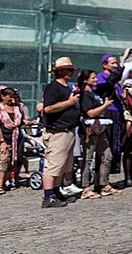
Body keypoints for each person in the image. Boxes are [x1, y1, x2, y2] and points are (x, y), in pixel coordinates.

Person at [40, 56, 81, 208]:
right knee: (53, 165)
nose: (71, 72)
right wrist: (69, 103)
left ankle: (56, 191)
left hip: (68, 130)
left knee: (63, 165)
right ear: (60, 71)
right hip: (58, 131)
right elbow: (48, 108)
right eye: (68, 69)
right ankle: (48, 196)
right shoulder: (53, 87)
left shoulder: (68, 87)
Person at [76, 69, 119, 198]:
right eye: (93, 78)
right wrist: (105, 106)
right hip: (90, 130)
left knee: (107, 156)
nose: (95, 80)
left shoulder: (95, 94)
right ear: (85, 80)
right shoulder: (84, 95)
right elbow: (90, 113)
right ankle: (85, 187)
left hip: (101, 128)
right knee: (87, 159)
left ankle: (103, 184)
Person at [0, 87, 25, 192]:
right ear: (2, 96)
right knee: (4, 161)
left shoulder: (18, 107)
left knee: (17, 160)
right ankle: (0, 185)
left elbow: (22, 120)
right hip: (4, 138)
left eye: (13, 96)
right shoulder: (0, 109)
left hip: (17, 137)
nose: (12, 98)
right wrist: (2, 141)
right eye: (9, 96)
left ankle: (13, 179)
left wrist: (27, 122)